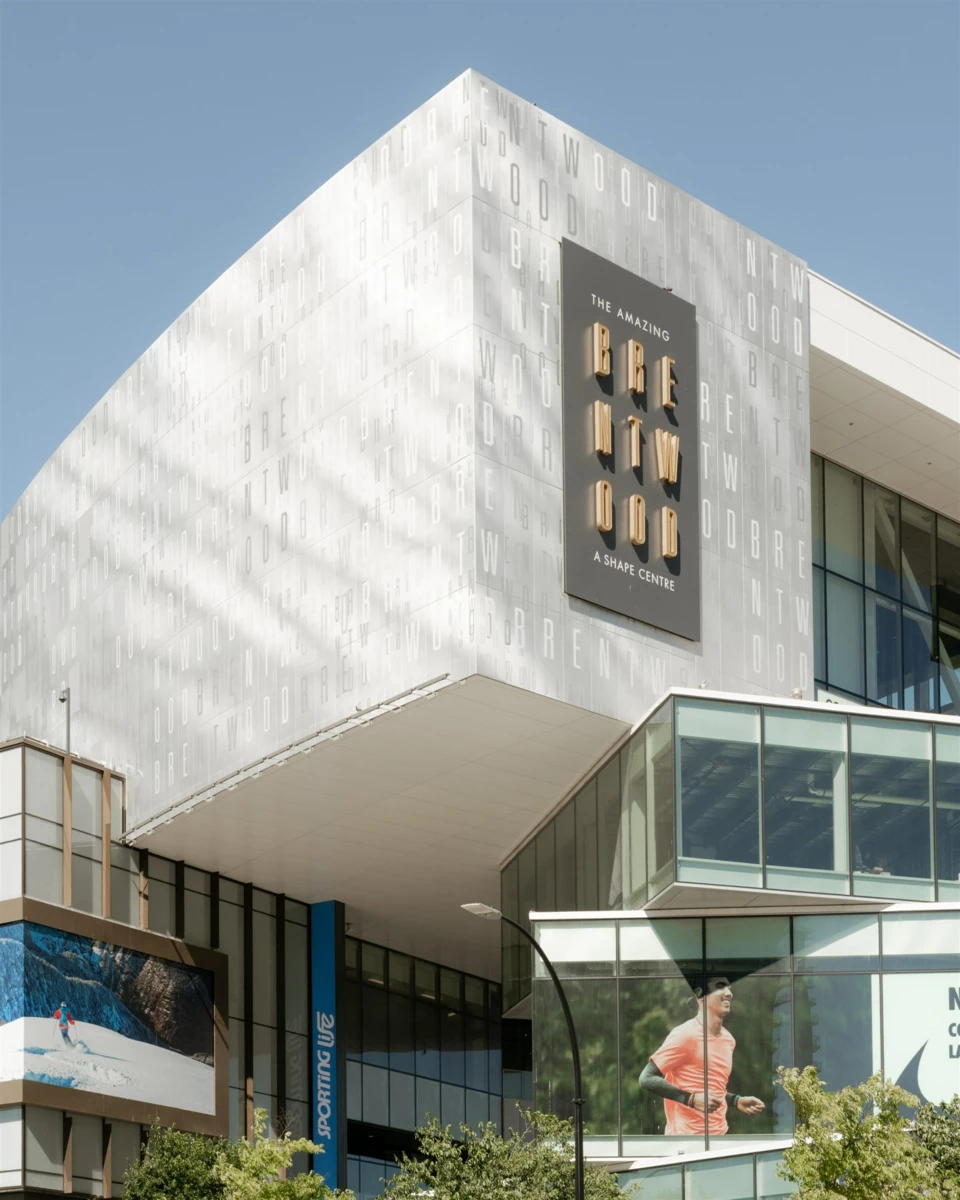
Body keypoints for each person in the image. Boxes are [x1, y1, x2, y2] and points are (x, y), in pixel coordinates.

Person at [638, 975, 765, 1135]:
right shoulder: (685, 1034)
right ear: (700, 995)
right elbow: (646, 1078)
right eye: (720, 987)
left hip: (720, 1135)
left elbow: (713, 1088)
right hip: (684, 1140)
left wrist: (735, 1100)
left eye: (729, 988)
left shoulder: (728, 1040)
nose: (728, 993)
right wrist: (690, 1099)